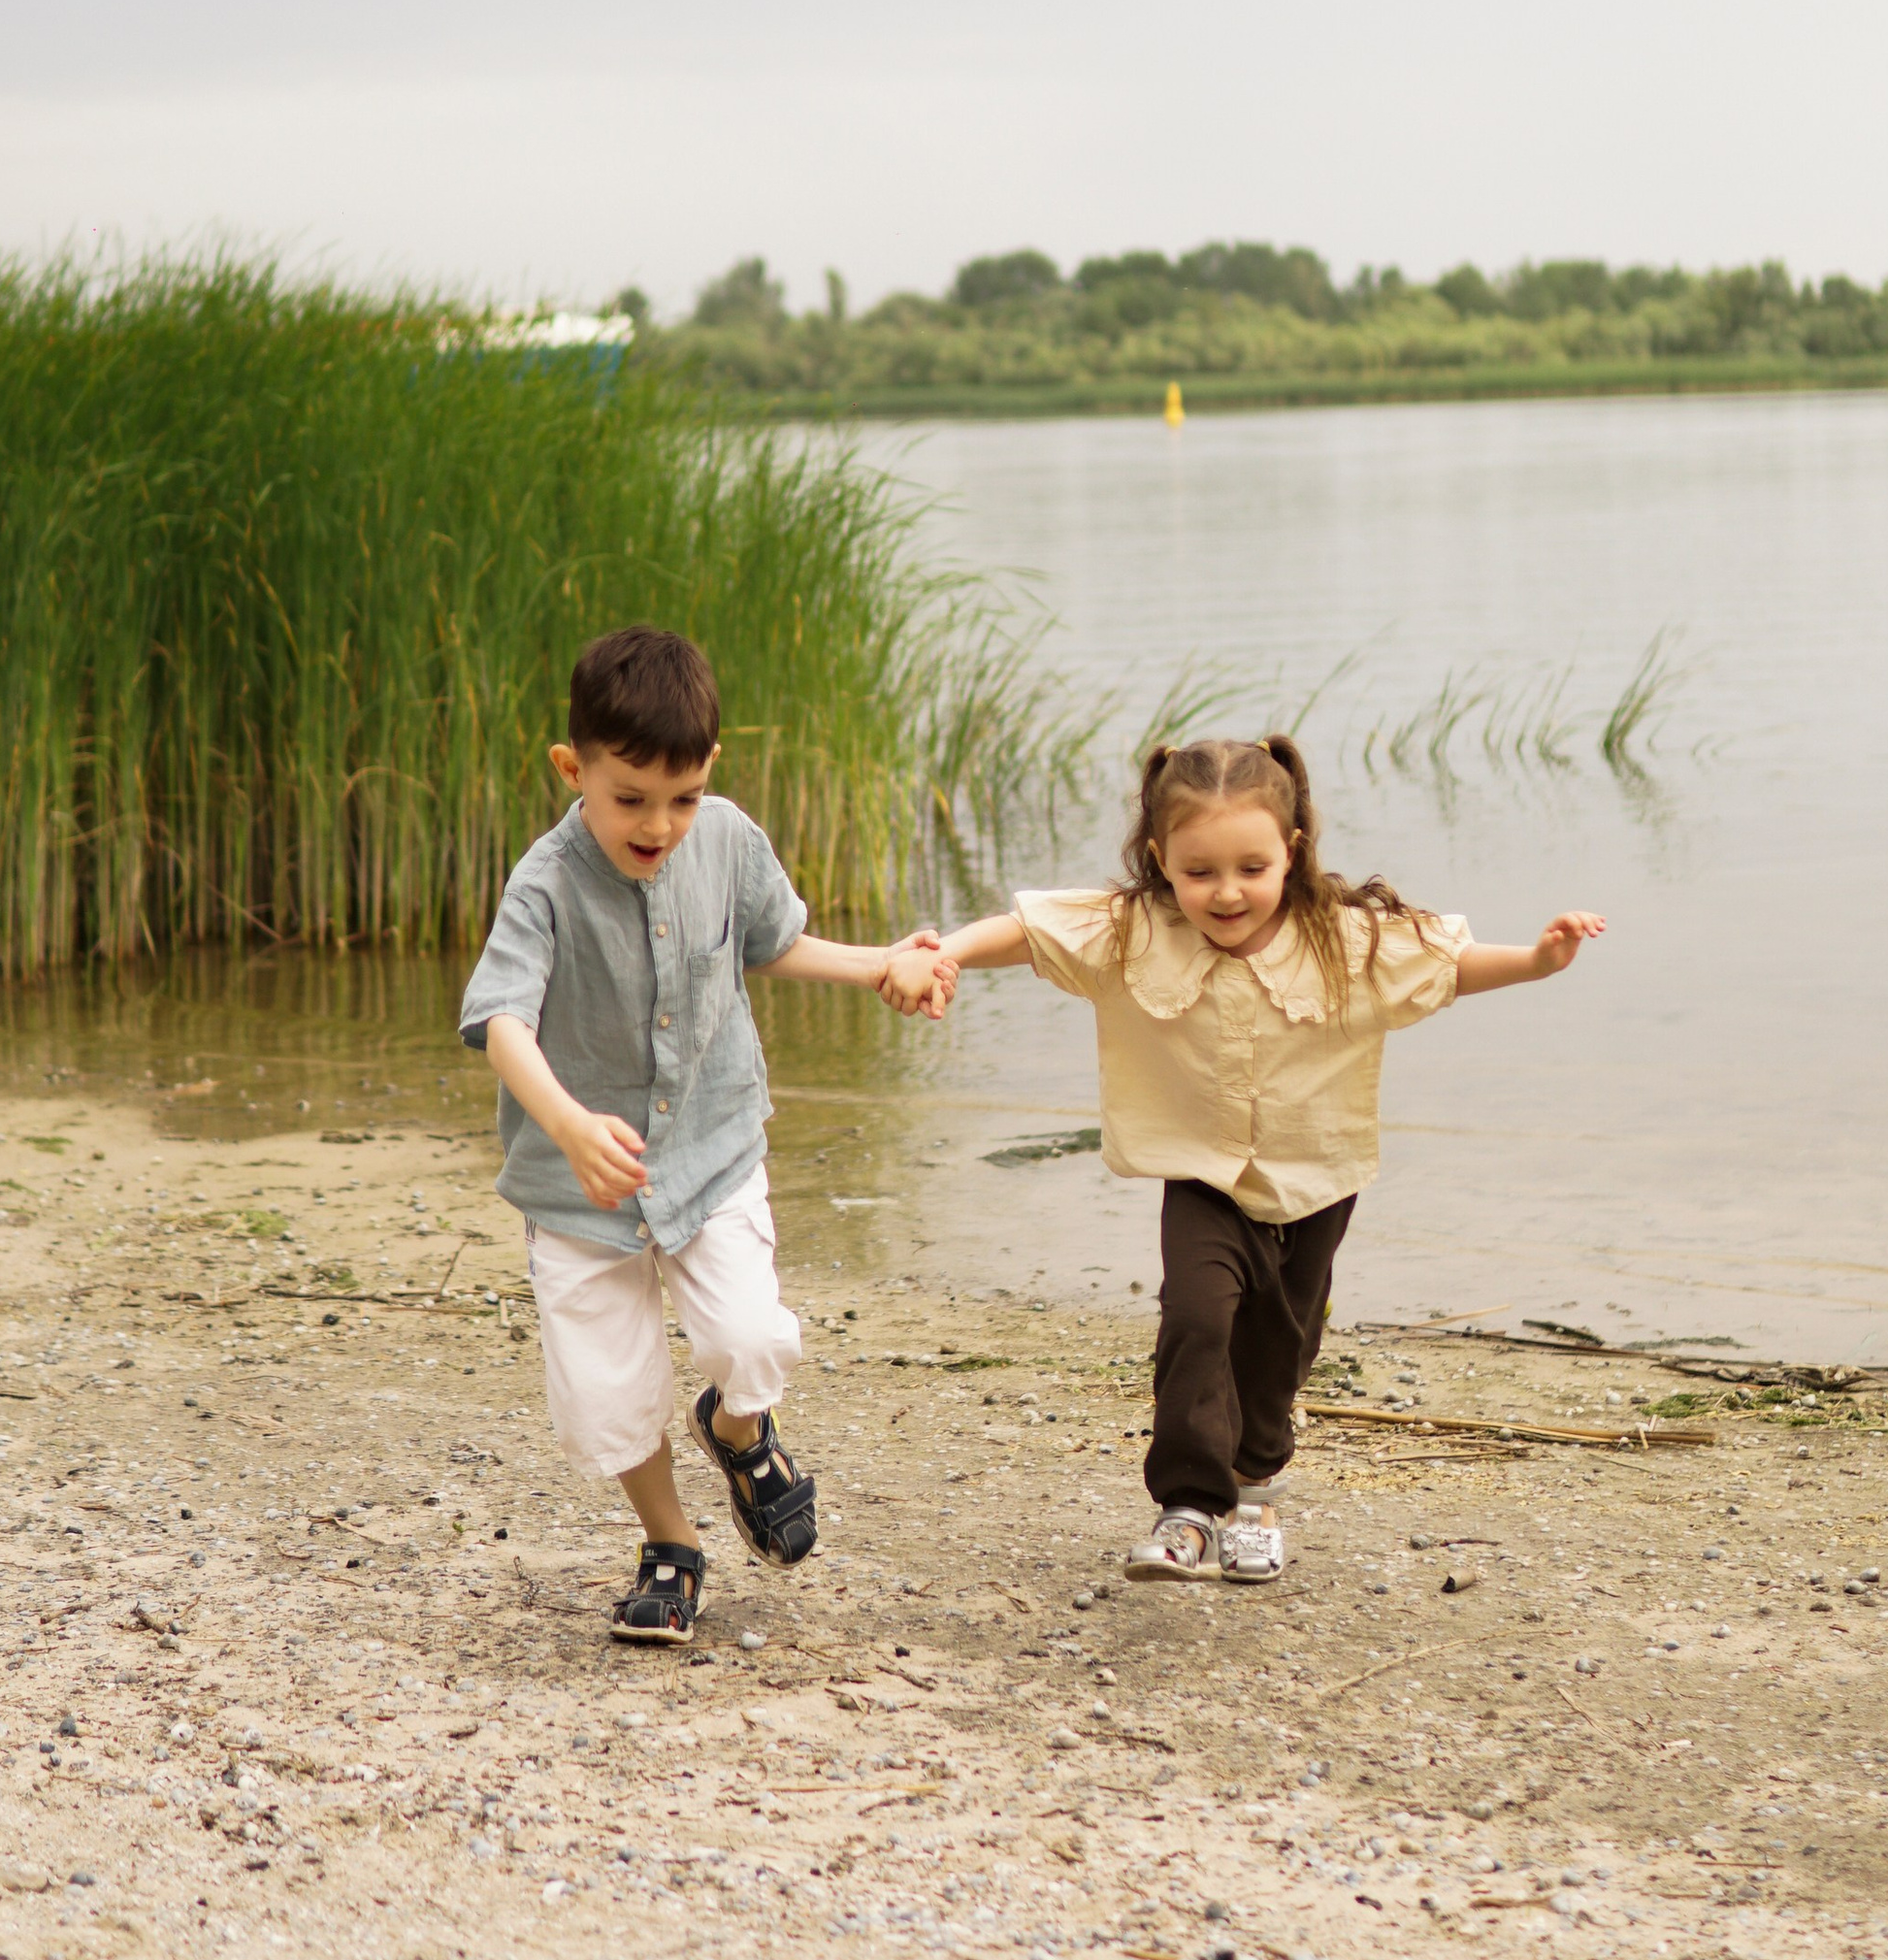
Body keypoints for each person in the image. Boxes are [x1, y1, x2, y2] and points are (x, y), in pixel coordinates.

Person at [922, 735, 1603, 1584]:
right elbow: (1030, 933)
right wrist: (944, 950)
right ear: (1160, 857)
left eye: (1251, 867)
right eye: (1199, 870)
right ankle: (1188, 1507)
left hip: (1319, 1180)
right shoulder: (1137, 931)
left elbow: (1451, 967)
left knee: (1281, 1346)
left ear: (1292, 851)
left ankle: (1252, 1491)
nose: (1227, 891)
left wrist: (1541, 959)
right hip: (1204, 1176)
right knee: (1197, 1319)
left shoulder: (1343, 938)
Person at [459, 623, 950, 1646]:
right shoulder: (543, 883)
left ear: (710, 772)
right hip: (577, 1182)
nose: (659, 824)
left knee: (752, 1337)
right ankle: (671, 1545)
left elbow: (775, 943)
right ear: (572, 768)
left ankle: (737, 1431)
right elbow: (499, 1019)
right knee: (607, 1401)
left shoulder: (725, 837)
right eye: (629, 798)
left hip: (712, 1151)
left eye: (681, 798)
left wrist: (883, 964)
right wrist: (566, 1120)